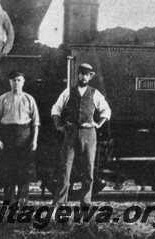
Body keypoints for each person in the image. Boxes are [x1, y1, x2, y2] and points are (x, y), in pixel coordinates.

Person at [51, 63, 111, 207]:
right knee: (65, 168)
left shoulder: (95, 93)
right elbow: (56, 108)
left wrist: (98, 124)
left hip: (88, 133)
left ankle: (86, 201)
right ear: (78, 75)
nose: (84, 77)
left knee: (88, 168)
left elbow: (106, 110)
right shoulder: (68, 92)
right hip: (71, 132)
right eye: (82, 74)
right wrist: (58, 125)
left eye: (87, 75)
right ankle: (60, 201)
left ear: (90, 77)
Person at [0, 71, 39, 205]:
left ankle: (23, 203)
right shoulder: (3, 99)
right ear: (10, 82)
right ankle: (9, 203)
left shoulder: (29, 99)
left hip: (24, 138)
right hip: (8, 137)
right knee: (8, 172)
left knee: (24, 172)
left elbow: (35, 123)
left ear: (23, 82)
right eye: (14, 81)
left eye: (19, 80)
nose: (16, 83)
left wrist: (34, 140)